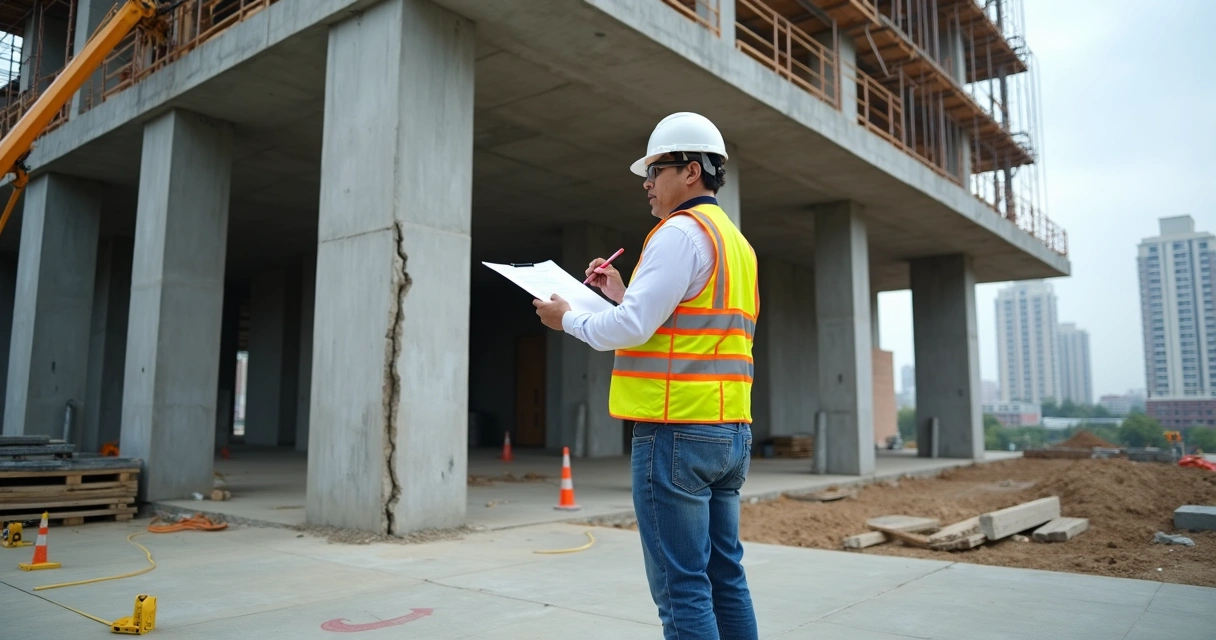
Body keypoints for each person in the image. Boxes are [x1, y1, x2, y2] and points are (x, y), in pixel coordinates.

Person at [533, 112, 759, 640]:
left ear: (691, 171)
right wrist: (619, 292)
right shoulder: (735, 244)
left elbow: (633, 327)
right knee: (725, 578)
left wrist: (568, 318)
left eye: (655, 170)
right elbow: (680, 322)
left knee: (681, 588)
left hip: (675, 429)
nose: (647, 184)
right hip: (729, 431)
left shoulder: (677, 233)